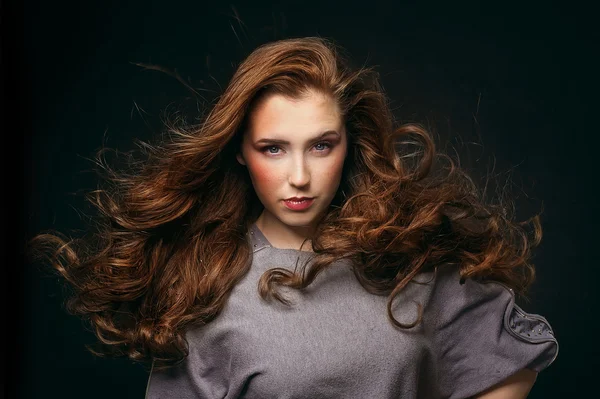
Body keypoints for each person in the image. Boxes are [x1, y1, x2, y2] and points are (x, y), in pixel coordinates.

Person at [30, 37, 558, 398]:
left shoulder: (406, 259)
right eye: (274, 148)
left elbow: (513, 351)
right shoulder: (203, 285)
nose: (300, 176)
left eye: (322, 145)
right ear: (240, 150)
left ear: (349, 145)